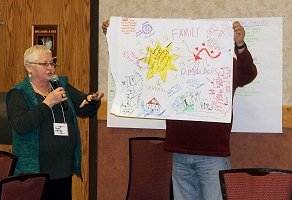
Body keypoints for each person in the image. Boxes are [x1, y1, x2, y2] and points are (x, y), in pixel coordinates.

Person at [102, 19, 257, 200]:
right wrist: (117, 35)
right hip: (179, 150)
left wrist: (239, 44)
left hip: (213, 152)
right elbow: (139, 60)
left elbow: (247, 75)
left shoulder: (222, 63)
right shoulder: (173, 62)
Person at [6, 45, 104, 200]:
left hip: (62, 166)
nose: (50, 68)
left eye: (52, 63)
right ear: (28, 67)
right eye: (44, 64)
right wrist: (47, 103)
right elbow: (21, 126)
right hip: (35, 168)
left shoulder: (60, 85)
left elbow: (83, 108)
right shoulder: (19, 93)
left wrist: (91, 101)